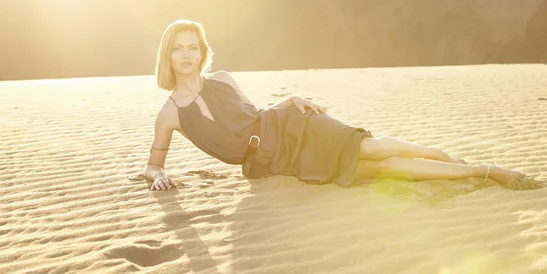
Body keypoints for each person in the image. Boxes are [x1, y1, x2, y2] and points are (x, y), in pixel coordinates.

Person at [145, 19, 526, 191]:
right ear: (168, 55)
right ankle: (470, 170)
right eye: (178, 48)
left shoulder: (223, 78)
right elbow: (153, 163)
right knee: (385, 169)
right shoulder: (170, 114)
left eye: (192, 47)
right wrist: (157, 175)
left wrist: (287, 101)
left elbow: (254, 117)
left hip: (294, 125)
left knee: (374, 149)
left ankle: (481, 168)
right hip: (276, 162)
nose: (186, 55)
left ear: (202, 51)